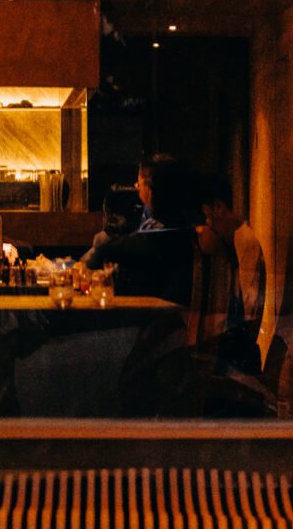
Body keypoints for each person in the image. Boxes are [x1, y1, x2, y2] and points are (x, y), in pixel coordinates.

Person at [85, 158, 201, 306]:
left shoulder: (162, 234)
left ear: (150, 191)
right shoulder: (186, 226)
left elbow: (103, 253)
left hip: (156, 315)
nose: (138, 190)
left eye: (139, 185)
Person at [199, 172, 267, 372]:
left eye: (208, 216)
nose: (208, 224)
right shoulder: (234, 243)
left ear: (219, 208)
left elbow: (250, 311)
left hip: (238, 358)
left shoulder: (246, 244)